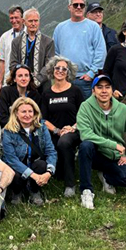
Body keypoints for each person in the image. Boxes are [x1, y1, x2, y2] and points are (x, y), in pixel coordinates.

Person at [76, 75, 126, 209]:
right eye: (99, 87)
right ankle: (86, 191)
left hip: (115, 156)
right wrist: (113, 145)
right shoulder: (85, 107)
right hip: (95, 154)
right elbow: (85, 134)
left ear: (112, 90)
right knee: (85, 145)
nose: (104, 91)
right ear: (93, 91)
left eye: (107, 87)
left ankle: (107, 177)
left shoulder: (123, 109)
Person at [40, 55, 85, 197]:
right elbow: (43, 119)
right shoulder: (47, 93)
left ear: (68, 72)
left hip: (74, 130)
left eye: (64, 69)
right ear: (52, 70)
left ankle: (70, 184)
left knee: (64, 142)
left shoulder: (75, 91)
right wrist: (57, 130)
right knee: (52, 146)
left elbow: (84, 114)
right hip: (54, 132)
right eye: (57, 68)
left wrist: (72, 128)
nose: (60, 71)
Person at [2, 97, 57, 205]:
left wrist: (49, 172)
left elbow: (51, 151)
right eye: (23, 112)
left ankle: (34, 190)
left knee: (42, 165)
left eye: (30, 111)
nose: (27, 115)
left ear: (35, 113)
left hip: (34, 164)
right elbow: (11, 159)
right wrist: (33, 175)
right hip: (18, 167)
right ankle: (17, 191)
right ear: (16, 113)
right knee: (12, 171)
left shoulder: (42, 127)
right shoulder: (8, 131)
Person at [52, 0, 106, 100]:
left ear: (85, 8)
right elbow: (55, 52)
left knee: (87, 109)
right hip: (65, 78)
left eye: (82, 5)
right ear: (69, 7)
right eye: (75, 5)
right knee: (66, 109)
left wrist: (91, 73)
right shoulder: (60, 28)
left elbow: (101, 51)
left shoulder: (93, 27)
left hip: (85, 80)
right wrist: (59, 72)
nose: (79, 7)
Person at [9, 7, 55, 89]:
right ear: (24, 22)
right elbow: (13, 63)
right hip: (21, 84)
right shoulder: (16, 42)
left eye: (36, 21)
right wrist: (22, 77)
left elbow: (49, 65)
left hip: (42, 85)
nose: (33, 24)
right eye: (30, 21)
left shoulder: (48, 42)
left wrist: (36, 80)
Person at [0, 5, 25, 92]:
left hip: (26, 80)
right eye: (11, 18)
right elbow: (2, 61)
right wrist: (0, 82)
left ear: (22, 19)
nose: (14, 21)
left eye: (16, 17)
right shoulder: (4, 37)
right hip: (9, 80)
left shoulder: (30, 35)